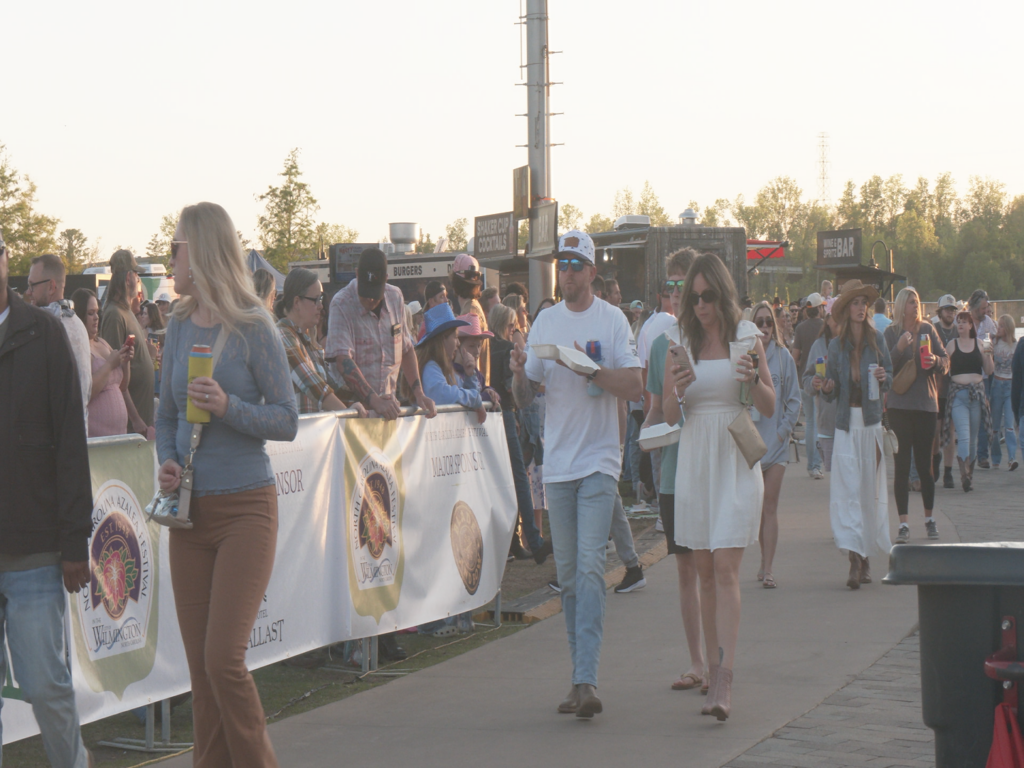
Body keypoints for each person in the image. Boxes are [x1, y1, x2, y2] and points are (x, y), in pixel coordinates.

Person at [157, 202, 298, 767]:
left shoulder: (254, 327)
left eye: (175, 247)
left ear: (200, 251)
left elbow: (287, 418)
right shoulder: (177, 324)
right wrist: (168, 461)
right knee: (201, 675)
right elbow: (165, 414)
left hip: (245, 510)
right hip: (188, 514)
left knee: (223, 661)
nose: (168, 258)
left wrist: (228, 406)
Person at [510, 229, 642, 719]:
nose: (565, 273)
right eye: (561, 265)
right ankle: (577, 676)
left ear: (591, 272)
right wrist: (518, 371)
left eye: (574, 265)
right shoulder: (545, 321)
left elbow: (635, 386)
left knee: (589, 567)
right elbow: (526, 395)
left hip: (600, 461)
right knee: (568, 577)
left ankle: (587, 680)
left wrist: (592, 371)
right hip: (558, 465)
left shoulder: (612, 320)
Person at [661, 252, 775, 722]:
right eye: (694, 297)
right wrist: (679, 388)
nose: (701, 305)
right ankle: (710, 672)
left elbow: (769, 405)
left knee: (726, 568)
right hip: (695, 460)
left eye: (708, 296)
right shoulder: (679, 342)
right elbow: (669, 414)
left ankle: (724, 679)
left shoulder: (747, 337)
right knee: (704, 572)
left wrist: (752, 381)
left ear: (723, 294)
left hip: (733, 457)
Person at [0, 231, 95, 767]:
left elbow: (71, 442)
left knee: (46, 688)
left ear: (5, 261)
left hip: (34, 550)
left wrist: (75, 539)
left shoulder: (45, 333)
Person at [641, 248, 705, 692]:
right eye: (672, 285)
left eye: (686, 284)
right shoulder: (661, 344)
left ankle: (718, 660)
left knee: (712, 569)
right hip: (673, 472)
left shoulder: (715, 339)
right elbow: (655, 411)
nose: (678, 293)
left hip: (708, 467)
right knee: (685, 570)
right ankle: (697, 662)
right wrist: (643, 436)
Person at [816, 280, 892, 589]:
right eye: (856, 303)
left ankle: (866, 556)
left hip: (871, 424)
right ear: (847, 309)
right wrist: (827, 388)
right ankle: (854, 558)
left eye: (864, 303)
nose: (861, 308)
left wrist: (884, 377)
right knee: (848, 491)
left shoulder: (877, 340)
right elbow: (831, 390)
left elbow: (889, 377)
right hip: (847, 424)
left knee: (867, 491)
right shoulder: (836, 346)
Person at [326, 248, 436, 422]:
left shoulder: (395, 297)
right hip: (353, 416)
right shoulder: (341, 304)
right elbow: (343, 360)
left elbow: (406, 349)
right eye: (365, 293)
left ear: (386, 279)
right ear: (357, 274)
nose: (370, 299)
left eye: (374, 294)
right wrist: (374, 401)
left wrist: (419, 394)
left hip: (387, 414)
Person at [884, 287, 948, 544]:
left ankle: (930, 519)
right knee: (901, 467)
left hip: (925, 406)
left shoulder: (928, 330)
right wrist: (899, 348)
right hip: (899, 407)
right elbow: (884, 368)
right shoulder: (891, 333)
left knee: (925, 466)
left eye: (918, 301)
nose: (916, 305)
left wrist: (935, 361)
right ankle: (903, 524)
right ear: (902, 306)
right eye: (911, 302)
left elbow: (946, 361)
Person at [488, 303, 552, 564]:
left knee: (503, 480)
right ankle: (533, 541)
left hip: (489, 417)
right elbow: (511, 387)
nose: (514, 329)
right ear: (505, 324)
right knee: (519, 478)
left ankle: (514, 542)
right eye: (512, 325)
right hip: (506, 414)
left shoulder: (487, 347)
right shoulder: (505, 349)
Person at [750, 301, 800, 589]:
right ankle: (763, 557)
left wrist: (783, 432)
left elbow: (794, 400)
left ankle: (769, 568)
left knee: (770, 505)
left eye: (769, 321)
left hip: (778, 445)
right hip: (753, 444)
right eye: (759, 322)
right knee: (758, 509)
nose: (765, 327)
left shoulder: (783, 358)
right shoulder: (746, 355)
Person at [276, 268, 366, 416]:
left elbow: (332, 389)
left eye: (321, 299)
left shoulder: (309, 343)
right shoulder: (282, 336)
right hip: (296, 431)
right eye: (316, 299)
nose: (321, 306)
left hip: (311, 430)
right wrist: (347, 413)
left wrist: (370, 402)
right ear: (297, 302)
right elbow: (313, 385)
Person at [24, 253, 92, 428]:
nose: (28, 292)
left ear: (51, 286)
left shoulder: (48, 328)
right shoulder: (76, 323)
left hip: (55, 437)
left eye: (32, 285)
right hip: (72, 434)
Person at [101, 249, 155, 439]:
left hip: (141, 423)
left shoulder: (126, 311)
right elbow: (114, 376)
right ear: (128, 278)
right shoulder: (114, 315)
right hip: (132, 429)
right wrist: (135, 418)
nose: (139, 280)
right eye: (137, 275)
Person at [943, 310, 994, 491]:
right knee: (963, 436)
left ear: (971, 325)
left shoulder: (980, 343)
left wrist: (988, 354)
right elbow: (943, 368)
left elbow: (989, 370)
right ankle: (964, 474)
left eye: (964, 321)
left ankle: (969, 475)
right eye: (959, 321)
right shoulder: (951, 345)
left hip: (976, 395)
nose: (961, 324)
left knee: (972, 438)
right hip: (958, 396)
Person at [72, 288, 134, 437]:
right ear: (80, 315)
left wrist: (125, 362)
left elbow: (123, 386)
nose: (96, 317)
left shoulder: (103, 343)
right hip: (97, 436)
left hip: (119, 434)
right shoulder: (79, 348)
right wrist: (110, 365)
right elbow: (85, 393)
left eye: (97, 312)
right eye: (90, 313)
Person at [792, 292, 825, 479]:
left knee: (810, 423)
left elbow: (795, 356)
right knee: (818, 423)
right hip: (821, 380)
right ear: (819, 308)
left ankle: (812, 465)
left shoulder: (801, 328)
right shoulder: (825, 327)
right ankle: (816, 465)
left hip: (804, 380)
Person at [802, 313, 839, 471]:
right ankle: (814, 465)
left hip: (851, 422)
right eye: (835, 315)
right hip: (827, 422)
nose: (839, 320)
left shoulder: (853, 342)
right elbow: (806, 379)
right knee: (834, 474)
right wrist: (813, 382)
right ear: (827, 320)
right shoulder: (819, 345)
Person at [932, 295, 960, 488]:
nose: (950, 313)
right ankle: (935, 458)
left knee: (949, 431)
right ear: (940, 311)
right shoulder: (933, 330)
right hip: (936, 388)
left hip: (954, 388)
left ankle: (948, 472)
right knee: (935, 431)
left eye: (952, 310)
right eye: (947, 309)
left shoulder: (960, 331)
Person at [969, 290, 999, 469]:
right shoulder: (962, 321)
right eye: (982, 308)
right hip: (965, 376)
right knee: (967, 416)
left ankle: (982, 456)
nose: (985, 311)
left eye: (986, 307)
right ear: (973, 308)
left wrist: (990, 348)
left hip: (984, 376)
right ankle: (967, 454)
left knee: (983, 414)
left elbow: (993, 343)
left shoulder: (988, 323)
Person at [989, 314, 1018, 470]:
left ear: (1007, 328)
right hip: (997, 385)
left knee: (1009, 426)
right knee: (995, 426)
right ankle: (995, 458)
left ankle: (1012, 458)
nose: (998, 328)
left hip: (1010, 386)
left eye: (1001, 326)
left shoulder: (1016, 345)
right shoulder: (994, 342)